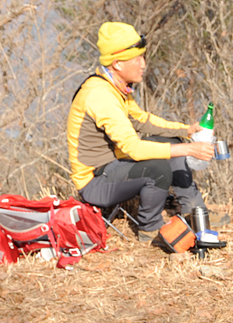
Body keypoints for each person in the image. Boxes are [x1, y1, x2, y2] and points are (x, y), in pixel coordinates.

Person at [67, 22, 216, 241]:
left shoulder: (116, 87)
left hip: (112, 167)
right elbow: (134, 149)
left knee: (169, 140)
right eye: (137, 59)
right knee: (158, 167)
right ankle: (150, 229)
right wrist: (188, 148)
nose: (143, 64)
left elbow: (142, 120)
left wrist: (186, 130)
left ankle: (194, 211)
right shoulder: (101, 96)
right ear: (117, 64)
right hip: (94, 182)